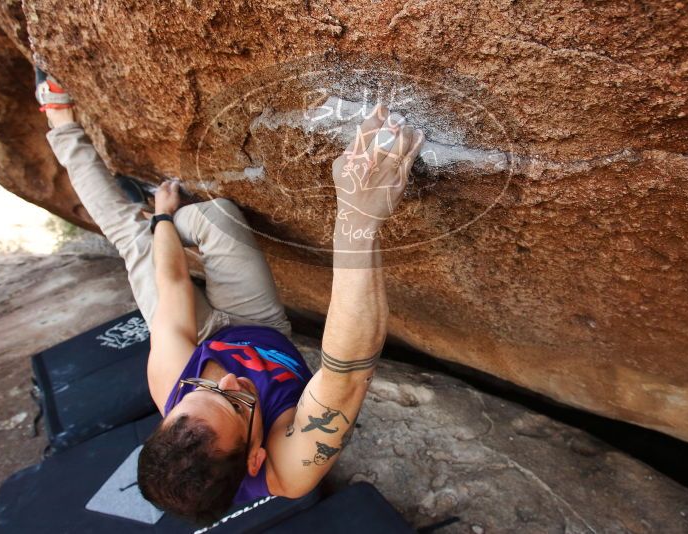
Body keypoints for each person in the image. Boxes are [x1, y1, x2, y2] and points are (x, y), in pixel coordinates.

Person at [36, 69, 425, 524]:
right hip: (261, 330)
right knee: (172, 227)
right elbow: (347, 374)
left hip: (200, 332)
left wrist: (162, 220)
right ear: (255, 457)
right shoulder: (292, 466)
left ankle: (103, 166)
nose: (229, 381)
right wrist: (358, 216)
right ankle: (79, 141)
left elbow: (175, 285)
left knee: (168, 229)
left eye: (201, 390)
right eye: (238, 404)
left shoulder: (171, 382)